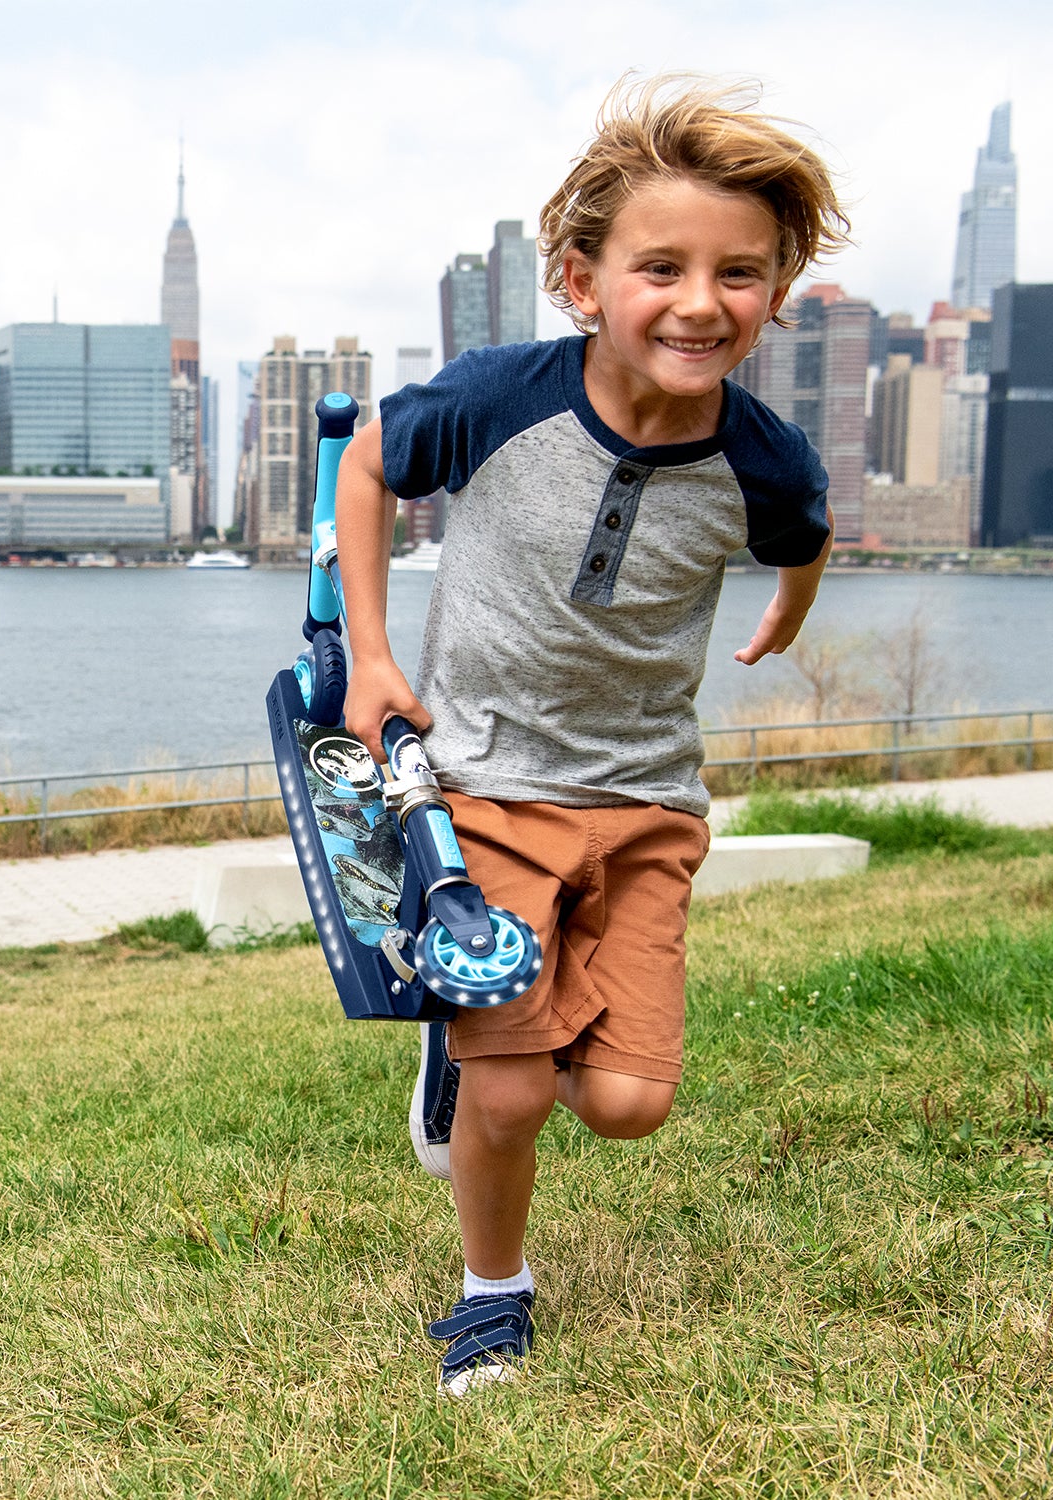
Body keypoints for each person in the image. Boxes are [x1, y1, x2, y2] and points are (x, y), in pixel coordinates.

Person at [334, 74, 849, 1396]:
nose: (698, 300)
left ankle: (479, 1057)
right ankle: (492, 1294)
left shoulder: (766, 459)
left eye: (739, 274)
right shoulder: (502, 397)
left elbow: (807, 537)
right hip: (484, 787)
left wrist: (785, 619)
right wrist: (378, 657)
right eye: (660, 265)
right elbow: (372, 462)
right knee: (508, 1102)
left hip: (649, 803)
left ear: (774, 298)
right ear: (581, 278)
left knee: (626, 1104)